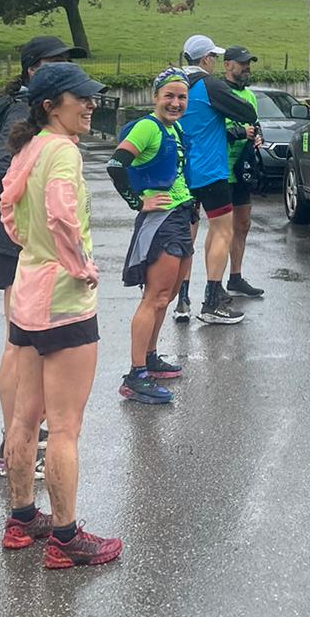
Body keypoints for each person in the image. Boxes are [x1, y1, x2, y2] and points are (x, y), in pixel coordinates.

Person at [0, 61, 121, 569]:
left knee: (25, 416)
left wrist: (34, 250)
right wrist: (81, 266)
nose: (91, 104)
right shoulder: (64, 152)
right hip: (65, 298)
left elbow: (8, 209)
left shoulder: (27, 148)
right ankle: (67, 539)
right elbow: (62, 215)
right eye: (82, 98)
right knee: (66, 426)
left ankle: (22, 519)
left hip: (28, 292)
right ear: (52, 106)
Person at [0, 35, 82, 479]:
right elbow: (0, 170)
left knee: (31, 345)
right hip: (26, 244)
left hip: (33, 242)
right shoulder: (24, 112)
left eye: (65, 61)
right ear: (30, 69)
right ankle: (15, 442)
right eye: (51, 62)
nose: (60, 67)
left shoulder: (40, 114)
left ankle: (22, 437)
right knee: (17, 343)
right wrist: (30, 219)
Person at [108, 68, 194, 405]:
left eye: (181, 97)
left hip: (180, 214)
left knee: (169, 294)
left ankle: (151, 356)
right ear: (155, 96)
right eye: (169, 96)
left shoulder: (175, 127)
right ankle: (135, 374)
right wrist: (137, 200)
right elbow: (117, 165)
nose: (175, 103)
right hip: (160, 221)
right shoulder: (148, 127)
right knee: (155, 296)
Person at [176, 33, 259, 325]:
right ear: (206, 59)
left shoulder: (175, 83)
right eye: (213, 57)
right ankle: (213, 300)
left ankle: (181, 298)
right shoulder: (210, 84)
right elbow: (245, 111)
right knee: (222, 231)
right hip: (210, 169)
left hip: (181, 170)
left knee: (187, 236)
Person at [223, 45, 265, 301]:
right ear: (227, 65)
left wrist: (257, 137)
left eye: (248, 63)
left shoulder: (250, 96)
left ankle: (235, 277)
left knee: (243, 224)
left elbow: (255, 124)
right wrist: (239, 133)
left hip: (243, 169)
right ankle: (212, 283)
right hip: (222, 170)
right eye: (241, 63)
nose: (246, 67)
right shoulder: (218, 93)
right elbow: (213, 130)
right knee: (222, 229)